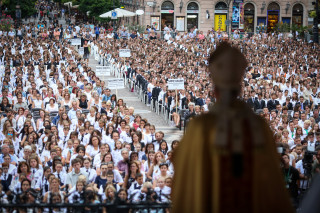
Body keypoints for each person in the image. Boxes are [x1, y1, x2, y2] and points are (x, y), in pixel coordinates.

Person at [172, 42, 294, 213]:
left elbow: (183, 174)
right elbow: (273, 185)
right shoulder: (259, 127)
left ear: (214, 90)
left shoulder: (200, 127)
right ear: (240, 89)